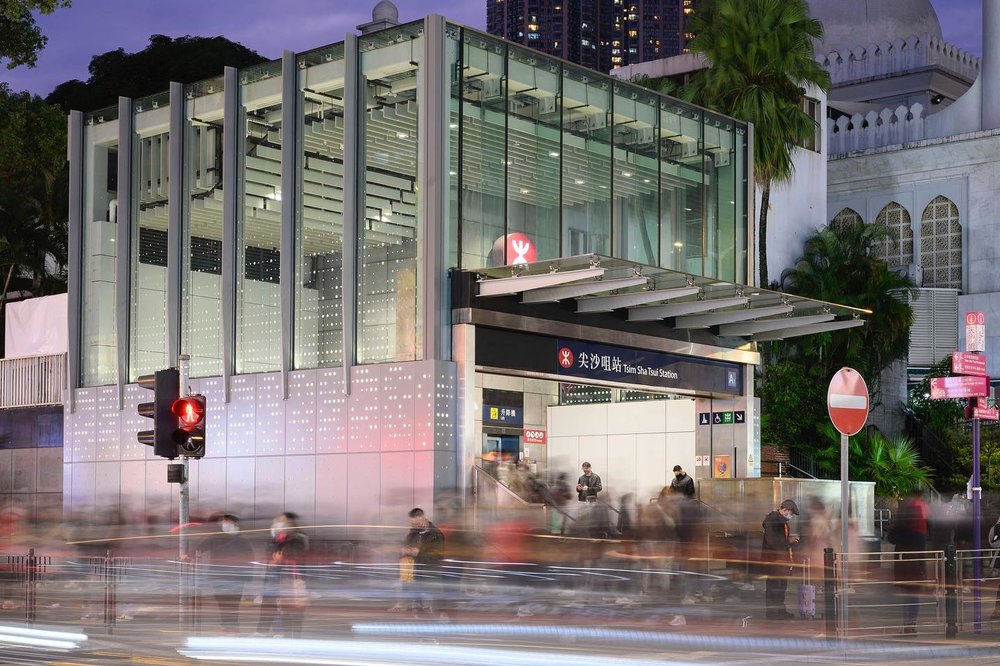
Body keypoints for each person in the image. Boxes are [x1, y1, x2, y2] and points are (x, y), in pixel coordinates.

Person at [197, 514, 254, 634]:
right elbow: (200, 548)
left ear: (235, 525)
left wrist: (248, 578)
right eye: (224, 522)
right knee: (222, 604)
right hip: (218, 577)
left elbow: (250, 559)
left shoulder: (242, 540)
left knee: (233, 604)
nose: (225, 524)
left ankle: (233, 628)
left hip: (236, 578)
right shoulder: (215, 538)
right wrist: (189, 555)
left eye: (228, 522)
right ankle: (226, 627)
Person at [256, 512, 309, 637]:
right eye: (277, 521)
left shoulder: (299, 538)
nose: (277, 524)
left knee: (293, 610)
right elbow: (271, 555)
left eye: (281, 521)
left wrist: (282, 554)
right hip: (276, 578)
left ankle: (294, 638)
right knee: (277, 607)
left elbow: (295, 553)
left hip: (292, 580)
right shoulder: (276, 539)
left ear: (290, 524)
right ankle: (278, 633)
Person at [889, 492, 928, 633]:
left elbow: (890, 538)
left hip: (902, 565)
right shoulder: (919, 532)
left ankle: (907, 623)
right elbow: (922, 552)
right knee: (913, 596)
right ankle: (911, 624)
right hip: (915, 567)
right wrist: (924, 571)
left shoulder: (901, 527)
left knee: (906, 596)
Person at [761, 499, 800, 619]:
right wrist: (789, 540)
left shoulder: (781, 521)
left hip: (780, 560)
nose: (791, 516)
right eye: (791, 513)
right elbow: (772, 541)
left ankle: (780, 611)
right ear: (785, 510)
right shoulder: (773, 520)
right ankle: (773, 613)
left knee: (781, 585)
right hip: (774, 560)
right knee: (775, 586)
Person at [401, 507, 445, 613]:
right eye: (412, 524)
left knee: (432, 607)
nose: (414, 526)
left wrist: (419, 552)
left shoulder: (436, 534)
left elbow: (438, 555)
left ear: (422, 517)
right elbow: (405, 547)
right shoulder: (412, 533)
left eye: (416, 523)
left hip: (430, 573)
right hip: (416, 572)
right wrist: (405, 550)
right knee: (418, 607)